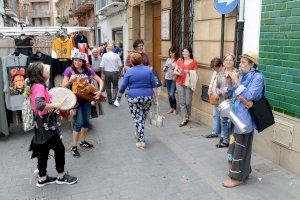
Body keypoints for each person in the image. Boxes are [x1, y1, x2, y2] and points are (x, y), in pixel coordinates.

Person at [27, 62, 78, 187]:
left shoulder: (35, 85)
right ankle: (61, 176)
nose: (47, 70)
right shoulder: (39, 86)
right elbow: (40, 105)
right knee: (59, 149)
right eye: (44, 69)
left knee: (43, 151)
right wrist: (56, 105)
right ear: (39, 73)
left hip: (40, 122)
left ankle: (42, 178)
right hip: (47, 122)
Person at [223, 50, 264, 188]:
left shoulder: (258, 78)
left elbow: (250, 95)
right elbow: (231, 93)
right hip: (235, 118)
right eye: (240, 61)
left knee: (240, 148)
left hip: (245, 121)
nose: (240, 64)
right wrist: (229, 82)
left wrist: (236, 81)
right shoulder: (244, 76)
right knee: (234, 147)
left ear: (252, 64)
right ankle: (244, 172)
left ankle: (237, 177)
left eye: (243, 62)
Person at [62, 52, 104, 157]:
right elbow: (63, 86)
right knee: (78, 123)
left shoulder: (87, 70)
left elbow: (99, 80)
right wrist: (70, 81)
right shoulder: (69, 70)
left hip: (87, 100)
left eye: (79, 60)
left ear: (83, 62)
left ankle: (83, 141)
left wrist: (100, 91)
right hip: (75, 101)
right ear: (73, 60)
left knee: (86, 122)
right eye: (75, 60)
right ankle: (74, 147)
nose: (77, 62)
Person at [117, 53, 158, 149]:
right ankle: (138, 132)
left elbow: (123, 86)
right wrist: (156, 99)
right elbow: (154, 85)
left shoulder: (129, 72)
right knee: (142, 117)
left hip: (134, 98)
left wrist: (118, 98)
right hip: (147, 97)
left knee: (138, 118)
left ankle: (142, 141)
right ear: (141, 60)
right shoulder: (149, 70)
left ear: (131, 62)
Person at [205, 57, 232, 148]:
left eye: (230, 60)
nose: (215, 70)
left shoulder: (229, 73)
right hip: (217, 98)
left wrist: (220, 91)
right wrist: (211, 89)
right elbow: (214, 83)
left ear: (221, 65)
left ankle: (225, 138)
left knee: (224, 120)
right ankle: (217, 133)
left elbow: (228, 87)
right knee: (216, 115)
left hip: (224, 100)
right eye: (226, 60)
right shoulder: (217, 72)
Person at [174, 47, 198, 127]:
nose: (184, 53)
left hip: (188, 84)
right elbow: (175, 70)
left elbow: (195, 72)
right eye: (183, 51)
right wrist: (178, 73)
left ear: (189, 53)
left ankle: (187, 115)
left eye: (186, 51)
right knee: (182, 101)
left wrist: (188, 72)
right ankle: (184, 118)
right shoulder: (179, 60)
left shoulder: (194, 62)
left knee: (188, 102)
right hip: (179, 83)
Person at [163, 47, 179, 115]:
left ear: (176, 53)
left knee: (171, 94)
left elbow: (179, 70)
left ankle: (175, 109)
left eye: (173, 53)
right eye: (170, 53)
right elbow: (164, 69)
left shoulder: (178, 60)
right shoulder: (168, 59)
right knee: (169, 95)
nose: (171, 54)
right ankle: (171, 108)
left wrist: (173, 69)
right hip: (167, 78)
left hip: (173, 79)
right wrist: (165, 68)